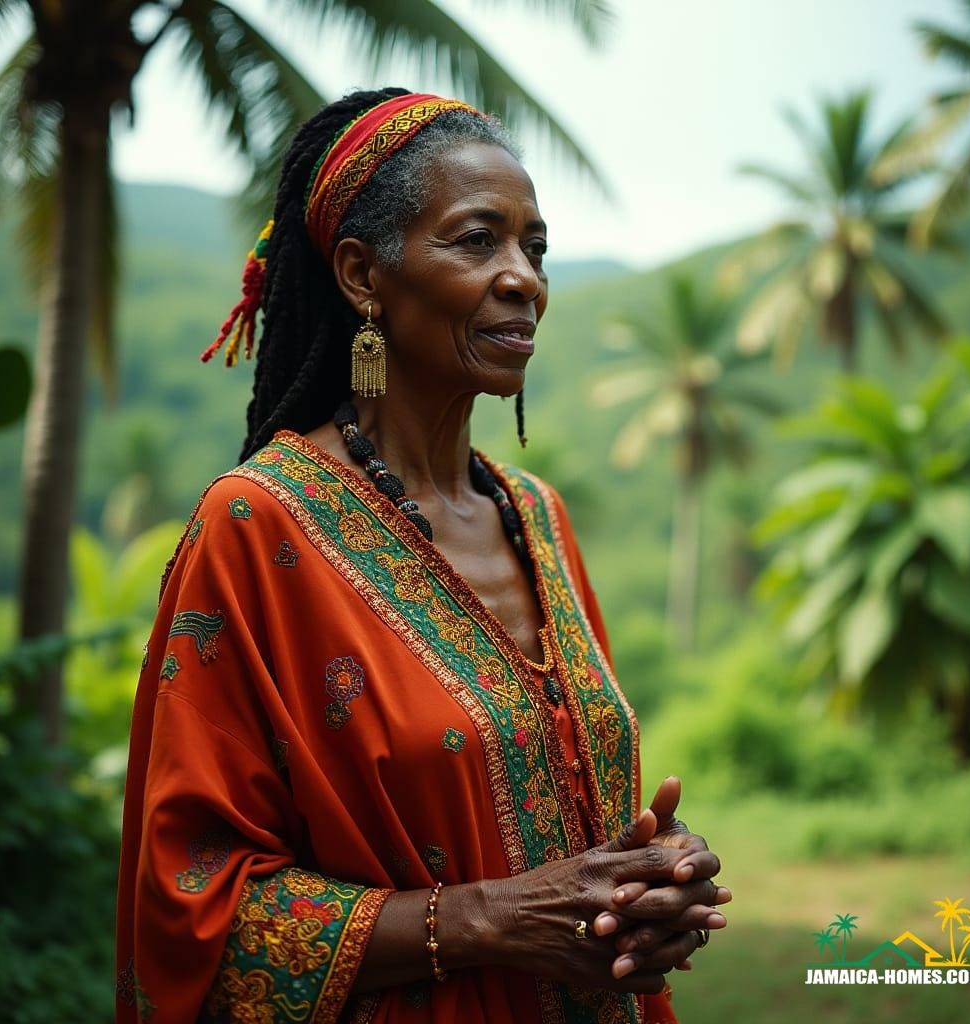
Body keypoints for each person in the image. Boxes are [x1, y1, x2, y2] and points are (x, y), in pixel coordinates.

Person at [115, 88, 730, 1024]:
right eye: (477, 240)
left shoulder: (537, 517)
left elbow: (558, 833)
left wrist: (647, 880)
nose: (524, 277)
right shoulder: (256, 529)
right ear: (364, 276)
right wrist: (479, 921)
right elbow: (196, 910)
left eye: (536, 247)